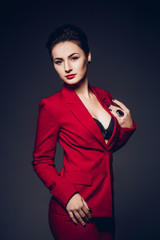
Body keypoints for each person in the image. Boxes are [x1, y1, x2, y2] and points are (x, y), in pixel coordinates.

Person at [32, 24, 137, 240]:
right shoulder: (51, 106)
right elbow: (41, 161)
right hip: (74, 209)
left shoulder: (105, 97)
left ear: (88, 56)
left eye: (74, 58)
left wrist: (126, 128)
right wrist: (68, 196)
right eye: (58, 61)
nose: (67, 68)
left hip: (106, 207)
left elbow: (103, 150)